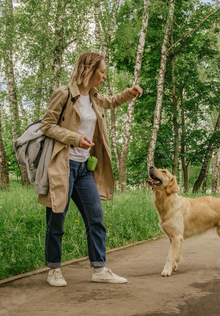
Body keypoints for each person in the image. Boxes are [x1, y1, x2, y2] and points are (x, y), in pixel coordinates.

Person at [38, 52, 143, 286]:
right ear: (89, 70)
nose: (104, 76)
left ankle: (99, 268)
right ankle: (54, 270)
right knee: (56, 220)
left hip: (85, 168)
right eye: (102, 71)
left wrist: (130, 93)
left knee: (96, 218)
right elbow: (47, 125)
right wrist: (74, 138)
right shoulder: (64, 94)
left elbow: (113, 101)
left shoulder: (94, 97)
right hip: (63, 166)